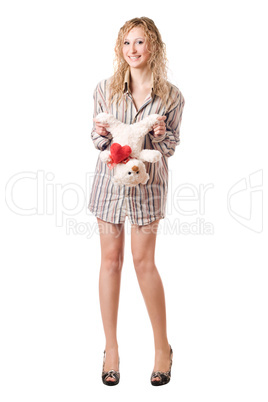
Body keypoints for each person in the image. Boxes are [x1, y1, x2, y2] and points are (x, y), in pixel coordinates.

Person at [88, 16, 185, 386]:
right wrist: (99, 133)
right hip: (109, 189)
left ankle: (163, 348)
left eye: (140, 42)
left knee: (144, 264)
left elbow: (170, 147)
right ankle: (111, 349)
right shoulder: (105, 89)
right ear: (120, 48)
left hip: (147, 189)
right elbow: (97, 141)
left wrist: (161, 134)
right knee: (110, 262)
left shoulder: (172, 96)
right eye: (127, 43)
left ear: (153, 47)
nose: (133, 50)